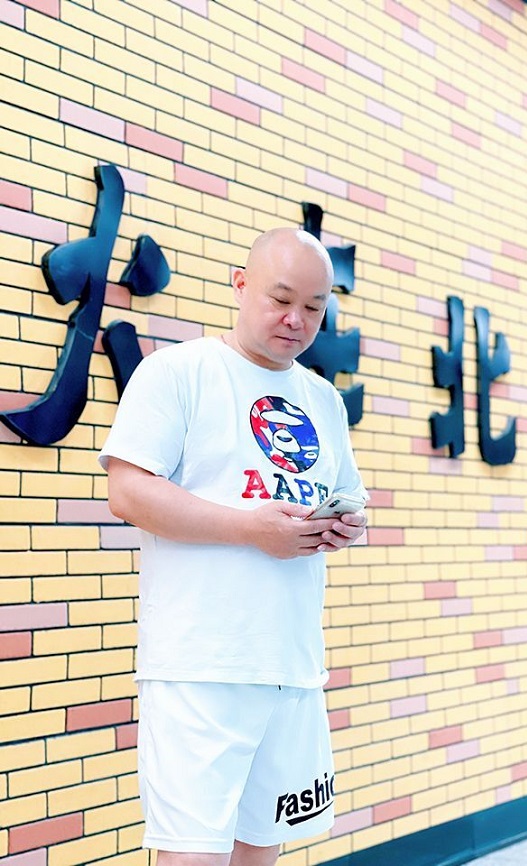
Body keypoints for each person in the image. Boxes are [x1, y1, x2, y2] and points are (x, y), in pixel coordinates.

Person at [99, 227, 367, 866]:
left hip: (290, 665)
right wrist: (252, 529)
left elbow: (350, 499)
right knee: (193, 855)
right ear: (241, 285)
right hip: (201, 665)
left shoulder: (322, 399)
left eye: (314, 307)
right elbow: (128, 493)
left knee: (260, 850)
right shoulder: (177, 373)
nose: (296, 319)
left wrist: (343, 526)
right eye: (281, 299)